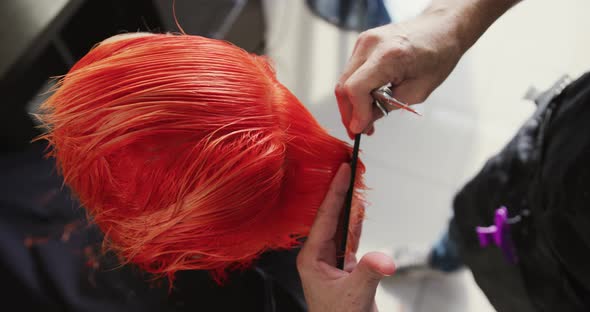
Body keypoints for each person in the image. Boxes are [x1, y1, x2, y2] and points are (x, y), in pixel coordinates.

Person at [299, 0, 590, 311]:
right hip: (552, 153)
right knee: (472, 222)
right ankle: (444, 255)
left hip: (567, 290)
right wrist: (453, 21)